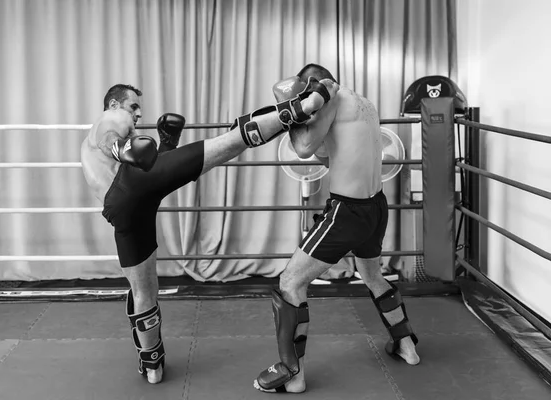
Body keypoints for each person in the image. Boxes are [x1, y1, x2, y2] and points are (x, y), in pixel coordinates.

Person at [80, 81, 339, 384]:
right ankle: (299, 108)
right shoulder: (109, 119)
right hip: (131, 183)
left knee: (144, 291)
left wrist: (165, 146)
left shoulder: (98, 145)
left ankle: (152, 365)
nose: (137, 114)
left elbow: (152, 173)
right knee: (228, 143)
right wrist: (122, 147)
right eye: (132, 106)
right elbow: (110, 136)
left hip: (121, 208)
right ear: (113, 104)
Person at [254, 64, 420, 394]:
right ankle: (407, 346)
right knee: (372, 276)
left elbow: (301, 148)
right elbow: (332, 157)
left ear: (314, 86)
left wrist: (290, 112)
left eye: (305, 95)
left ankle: (293, 372)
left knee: (289, 281)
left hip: (347, 212)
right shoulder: (362, 103)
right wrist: (306, 124)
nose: (305, 102)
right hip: (375, 207)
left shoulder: (327, 100)